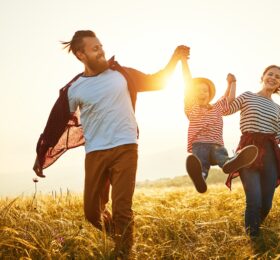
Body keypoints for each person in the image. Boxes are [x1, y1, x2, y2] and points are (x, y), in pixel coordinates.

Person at [32, 30, 189, 257]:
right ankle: (119, 236)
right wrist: (41, 155)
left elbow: (158, 81)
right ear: (81, 54)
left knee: (122, 208)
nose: (101, 51)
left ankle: (124, 251)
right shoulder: (75, 88)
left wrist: (175, 57)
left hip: (126, 147)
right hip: (95, 152)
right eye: (94, 48)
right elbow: (56, 124)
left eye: (101, 46)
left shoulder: (122, 74)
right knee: (92, 213)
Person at [224, 65, 280, 239]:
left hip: (270, 152)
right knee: (253, 200)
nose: (273, 77)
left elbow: (279, 137)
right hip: (249, 151)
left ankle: (254, 228)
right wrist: (232, 84)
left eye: (277, 77)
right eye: (270, 74)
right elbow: (227, 109)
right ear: (262, 76)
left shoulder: (277, 108)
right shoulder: (248, 96)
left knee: (266, 204)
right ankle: (253, 240)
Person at [181, 57, 258, 193]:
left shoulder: (217, 107)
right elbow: (187, 82)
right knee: (201, 164)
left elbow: (230, 98)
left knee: (222, 158)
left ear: (210, 95)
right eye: (198, 90)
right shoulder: (191, 107)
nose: (201, 93)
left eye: (205, 91)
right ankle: (201, 178)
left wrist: (232, 82)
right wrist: (184, 62)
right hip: (199, 145)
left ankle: (230, 163)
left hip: (217, 145)